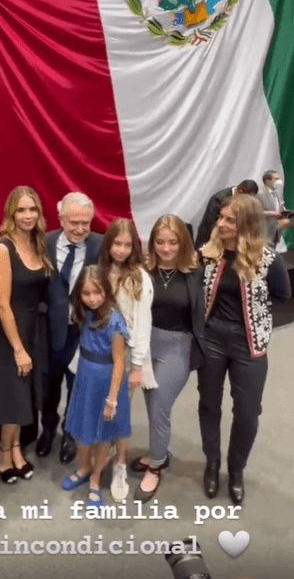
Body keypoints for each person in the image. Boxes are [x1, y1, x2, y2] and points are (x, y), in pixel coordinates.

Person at [198, 194, 291, 505]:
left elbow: (282, 294)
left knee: (248, 413)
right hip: (212, 339)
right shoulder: (209, 253)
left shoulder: (266, 258)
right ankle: (212, 464)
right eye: (221, 218)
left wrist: (256, 311)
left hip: (248, 344)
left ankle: (236, 469)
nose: (221, 224)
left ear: (247, 224)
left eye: (230, 220)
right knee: (209, 404)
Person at [130, 215, 206, 502]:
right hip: (145, 347)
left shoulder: (194, 272)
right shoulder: (143, 270)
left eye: (173, 242)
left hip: (177, 347)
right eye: (160, 242)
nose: (166, 248)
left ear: (183, 243)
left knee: (159, 406)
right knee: (153, 408)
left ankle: (156, 466)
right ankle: (158, 452)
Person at [0, 186, 51, 483]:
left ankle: (17, 446)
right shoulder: (2, 247)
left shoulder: (38, 242)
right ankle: (4, 450)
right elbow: (2, 304)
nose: (27, 215)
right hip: (12, 332)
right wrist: (19, 349)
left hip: (35, 329)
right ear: (11, 213)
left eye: (32, 209)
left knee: (24, 395)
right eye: (21, 210)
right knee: (14, 397)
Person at [36, 192, 103, 465]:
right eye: (74, 222)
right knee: (48, 386)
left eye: (85, 223)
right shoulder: (44, 243)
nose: (80, 229)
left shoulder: (100, 244)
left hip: (83, 332)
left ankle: (70, 433)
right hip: (49, 330)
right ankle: (47, 429)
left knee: (78, 388)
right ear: (61, 219)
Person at [61, 266, 130, 509]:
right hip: (85, 378)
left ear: (106, 291)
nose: (92, 299)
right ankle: (85, 467)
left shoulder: (114, 321)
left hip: (106, 382)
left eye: (97, 293)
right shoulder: (85, 313)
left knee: (102, 434)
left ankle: (95, 478)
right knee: (81, 429)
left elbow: (119, 362)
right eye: (86, 293)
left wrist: (112, 400)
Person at [99, 218, 156, 502]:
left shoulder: (140, 277)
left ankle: (120, 465)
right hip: (98, 354)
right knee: (100, 409)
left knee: (119, 412)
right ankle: (100, 459)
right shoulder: (98, 272)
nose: (121, 250)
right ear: (108, 245)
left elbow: (143, 324)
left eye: (127, 245)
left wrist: (137, 367)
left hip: (128, 355)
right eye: (116, 244)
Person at [195, 179, 258, 249]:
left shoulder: (245, 199)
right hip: (208, 237)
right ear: (239, 191)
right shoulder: (218, 199)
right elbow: (211, 223)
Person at [258, 169, 294, 248]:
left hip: (274, 233)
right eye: (276, 179)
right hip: (262, 234)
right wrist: (272, 213)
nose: (279, 181)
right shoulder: (259, 194)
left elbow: (280, 210)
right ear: (268, 181)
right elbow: (254, 212)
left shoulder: (276, 194)